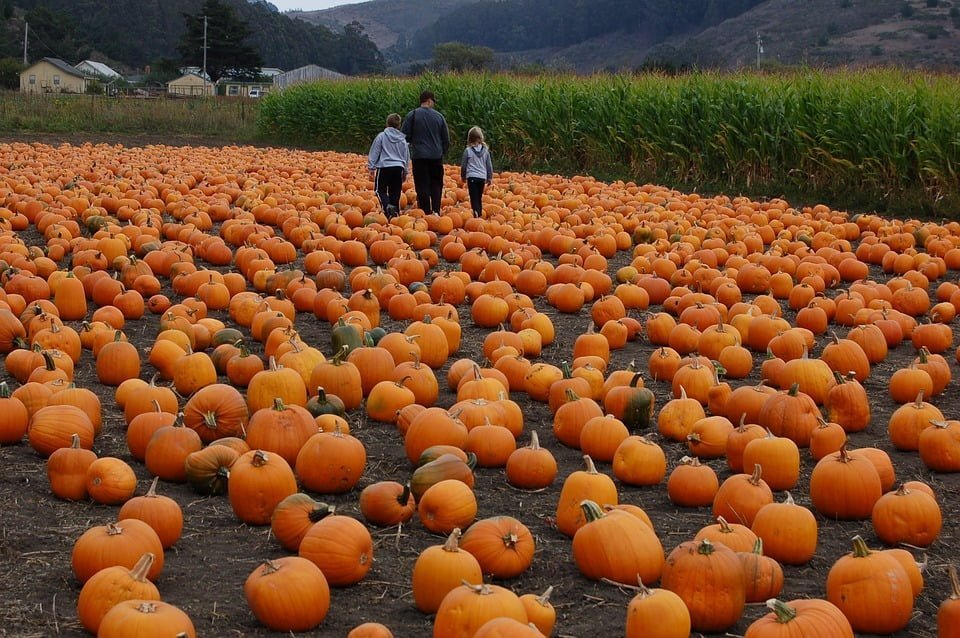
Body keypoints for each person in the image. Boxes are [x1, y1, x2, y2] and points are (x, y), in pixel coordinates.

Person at [401, 90, 450, 214]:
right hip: (436, 156)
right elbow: (446, 139)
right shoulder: (439, 117)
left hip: (419, 156)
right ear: (429, 100)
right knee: (436, 184)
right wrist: (441, 151)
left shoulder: (412, 115)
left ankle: (425, 212)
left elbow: (404, 136)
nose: (433, 104)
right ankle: (436, 211)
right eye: (433, 101)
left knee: (422, 185)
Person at [367, 113, 409, 218]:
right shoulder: (402, 139)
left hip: (385, 167)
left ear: (387, 123)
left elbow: (375, 151)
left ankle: (387, 207)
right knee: (395, 192)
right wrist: (405, 171)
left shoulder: (381, 136)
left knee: (379, 190)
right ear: (399, 125)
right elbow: (406, 156)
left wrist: (371, 167)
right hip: (398, 167)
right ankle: (395, 214)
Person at [459, 126, 493, 218]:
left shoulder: (468, 151)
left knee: (474, 198)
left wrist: (463, 176)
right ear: (481, 138)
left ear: (469, 139)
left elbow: (464, 165)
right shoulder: (485, 151)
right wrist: (489, 178)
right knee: (479, 197)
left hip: (472, 177)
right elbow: (489, 166)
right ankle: (479, 214)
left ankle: (476, 214)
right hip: (482, 178)